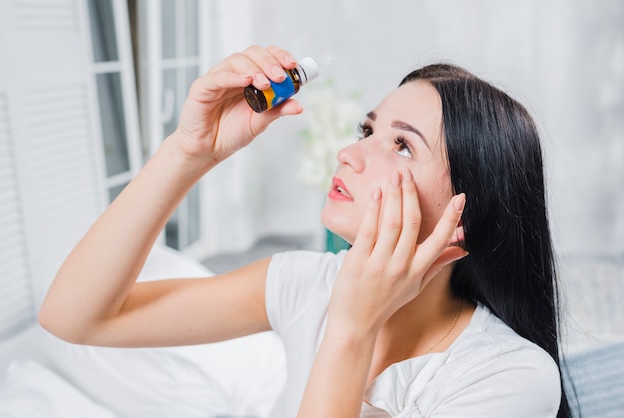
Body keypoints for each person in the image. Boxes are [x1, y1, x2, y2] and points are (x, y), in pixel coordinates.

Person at [39, 45, 572, 417]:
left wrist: (351, 327)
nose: (350, 153)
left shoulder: (512, 377)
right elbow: (74, 317)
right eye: (368, 129)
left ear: (465, 216)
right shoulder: (306, 282)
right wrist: (187, 151)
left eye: (402, 144)